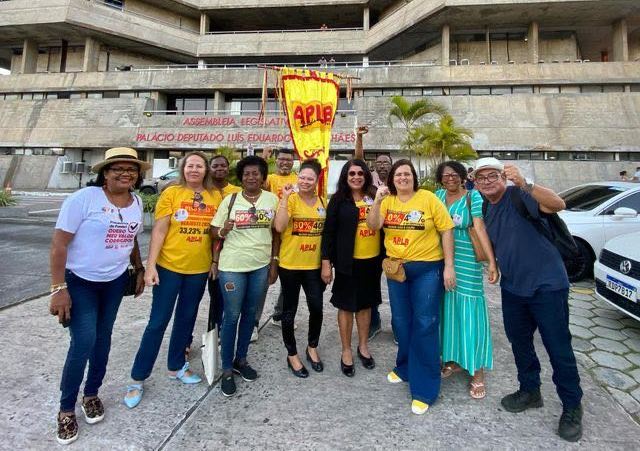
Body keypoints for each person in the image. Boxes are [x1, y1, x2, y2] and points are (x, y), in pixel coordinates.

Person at [473, 157, 584, 442]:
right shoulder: (486, 206)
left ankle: (572, 406)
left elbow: (558, 204)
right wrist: (493, 265)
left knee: (558, 348)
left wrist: (525, 183)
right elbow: (492, 247)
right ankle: (530, 390)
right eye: (480, 177)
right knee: (520, 344)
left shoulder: (520, 195)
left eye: (492, 176)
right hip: (513, 288)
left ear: (503, 176)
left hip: (548, 286)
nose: (486, 181)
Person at [50, 147, 147, 444]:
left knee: (103, 340)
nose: (125, 173)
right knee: (83, 343)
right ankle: (66, 410)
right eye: (117, 168)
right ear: (105, 173)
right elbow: (59, 246)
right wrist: (58, 289)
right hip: (80, 283)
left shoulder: (137, 202)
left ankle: (91, 394)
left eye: (131, 169)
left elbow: (130, 237)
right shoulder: (83, 200)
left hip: (114, 283)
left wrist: (139, 267)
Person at [124, 151, 218, 409]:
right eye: (190, 165)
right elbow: (160, 230)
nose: (195, 170)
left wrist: (213, 262)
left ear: (206, 170)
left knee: (186, 319)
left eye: (200, 166)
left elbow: (215, 233)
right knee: (157, 322)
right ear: (183, 169)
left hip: (198, 271)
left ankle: (176, 366)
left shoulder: (215, 196)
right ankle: (138, 378)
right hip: (169, 268)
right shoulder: (171, 193)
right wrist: (151, 266)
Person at [367, 159, 455, 415]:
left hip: (428, 268)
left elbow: (447, 229)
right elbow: (373, 226)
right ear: (392, 179)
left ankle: (425, 387)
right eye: (398, 175)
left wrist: (449, 266)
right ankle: (404, 366)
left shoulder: (427, 198)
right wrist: (378, 201)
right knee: (402, 321)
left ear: (413, 177)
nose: (403, 178)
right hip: (397, 269)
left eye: (407, 174)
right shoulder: (389, 201)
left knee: (425, 323)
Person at [211, 155, 279, 397]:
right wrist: (222, 229)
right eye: (247, 173)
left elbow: (277, 232)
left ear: (263, 177)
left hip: (260, 265)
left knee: (250, 315)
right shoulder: (230, 200)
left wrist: (274, 262)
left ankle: (241, 359)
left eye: (256, 173)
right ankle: (227, 368)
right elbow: (213, 231)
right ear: (240, 177)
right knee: (231, 316)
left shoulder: (272, 199)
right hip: (232, 266)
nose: (252, 177)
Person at [435, 161, 498, 400]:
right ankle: (453, 359)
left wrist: (491, 262)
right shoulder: (438, 195)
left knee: (471, 312)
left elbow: (480, 229)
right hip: (442, 261)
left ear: (462, 177)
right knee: (449, 311)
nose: (449, 178)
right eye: (445, 175)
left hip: (467, 262)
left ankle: (477, 372)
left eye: (454, 175)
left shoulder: (473, 198)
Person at [321, 159, 382, 378]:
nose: (356, 177)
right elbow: (328, 232)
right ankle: (346, 350)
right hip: (348, 262)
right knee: (346, 306)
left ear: (366, 175)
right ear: (346, 177)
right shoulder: (338, 200)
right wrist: (326, 262)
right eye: (351, 174)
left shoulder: (375, 196)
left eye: (360, 173)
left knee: (365, 305)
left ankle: (363, 346)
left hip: (372, 261)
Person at [274, 159, 326, 378]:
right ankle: (292, 354)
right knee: (289, 311)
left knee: (316, 308)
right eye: (302, 177)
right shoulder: (290, 200)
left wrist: (326, 263)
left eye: (310, 178)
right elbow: (279, 226)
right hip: (290, 265)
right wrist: (285, 199)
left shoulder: (323, 202)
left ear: (317, 181)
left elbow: (326, 236)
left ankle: (312, 347)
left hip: (313, 267)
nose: (305, 181)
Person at [353, 125, 391, 340]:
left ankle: (399, 324)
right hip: (374, 240)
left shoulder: (398, 182)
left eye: (387, 162)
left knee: (397, 282)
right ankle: (374, 321)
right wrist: (359, 138)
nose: (383, 165)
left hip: (395, 240)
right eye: (379, 163)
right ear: (374, 166)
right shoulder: (370, 184)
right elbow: (358, 160)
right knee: (372, 283)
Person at [261, 148, 298, 335]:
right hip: (268, 234)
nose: (285, 163)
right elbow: (256, 186)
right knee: (264, 279)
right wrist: (263, 157)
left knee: (289, 279)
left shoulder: (298, 179)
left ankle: (279, 315)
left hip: (290, 236)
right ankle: (252, 322)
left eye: (289, 160)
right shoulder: (269, 179)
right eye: (282, 159)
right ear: (276, 161)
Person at [205, 155, 242, 336]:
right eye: (215, 165)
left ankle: (217, 334)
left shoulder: (237, 191)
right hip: (199, 251)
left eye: (223, 165)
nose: (219, 168)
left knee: (219, 297)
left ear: (228, 169)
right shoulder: (203, 190)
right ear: (209, 169)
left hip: (224, 251)